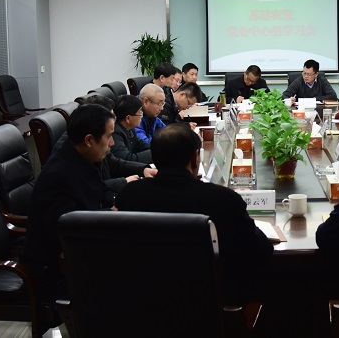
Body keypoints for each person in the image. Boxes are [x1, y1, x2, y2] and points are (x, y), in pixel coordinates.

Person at [114, 123, 273, 305]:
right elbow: (259, 252)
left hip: (143, 303)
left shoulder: (129, 195)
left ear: (153, 158)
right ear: (195, 158)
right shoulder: (223, 199)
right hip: (210, 305)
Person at [21, 104, 117, 311]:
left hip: (76, 258)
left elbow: (101, 189)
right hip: (53, 271)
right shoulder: (59, 174)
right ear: (89, 140)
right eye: (109, 136)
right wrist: (111, 214)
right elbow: (68, 226)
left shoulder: (80, 156)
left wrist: (117, 201)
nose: (112, 143)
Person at [111, 94, 152, 163]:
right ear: (128, 118)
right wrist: (153, 153)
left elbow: (140, 144)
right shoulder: (115, 133)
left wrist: (159, 148)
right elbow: (128, 159)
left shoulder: (129, 128)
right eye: (140, 113)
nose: (141, 116)